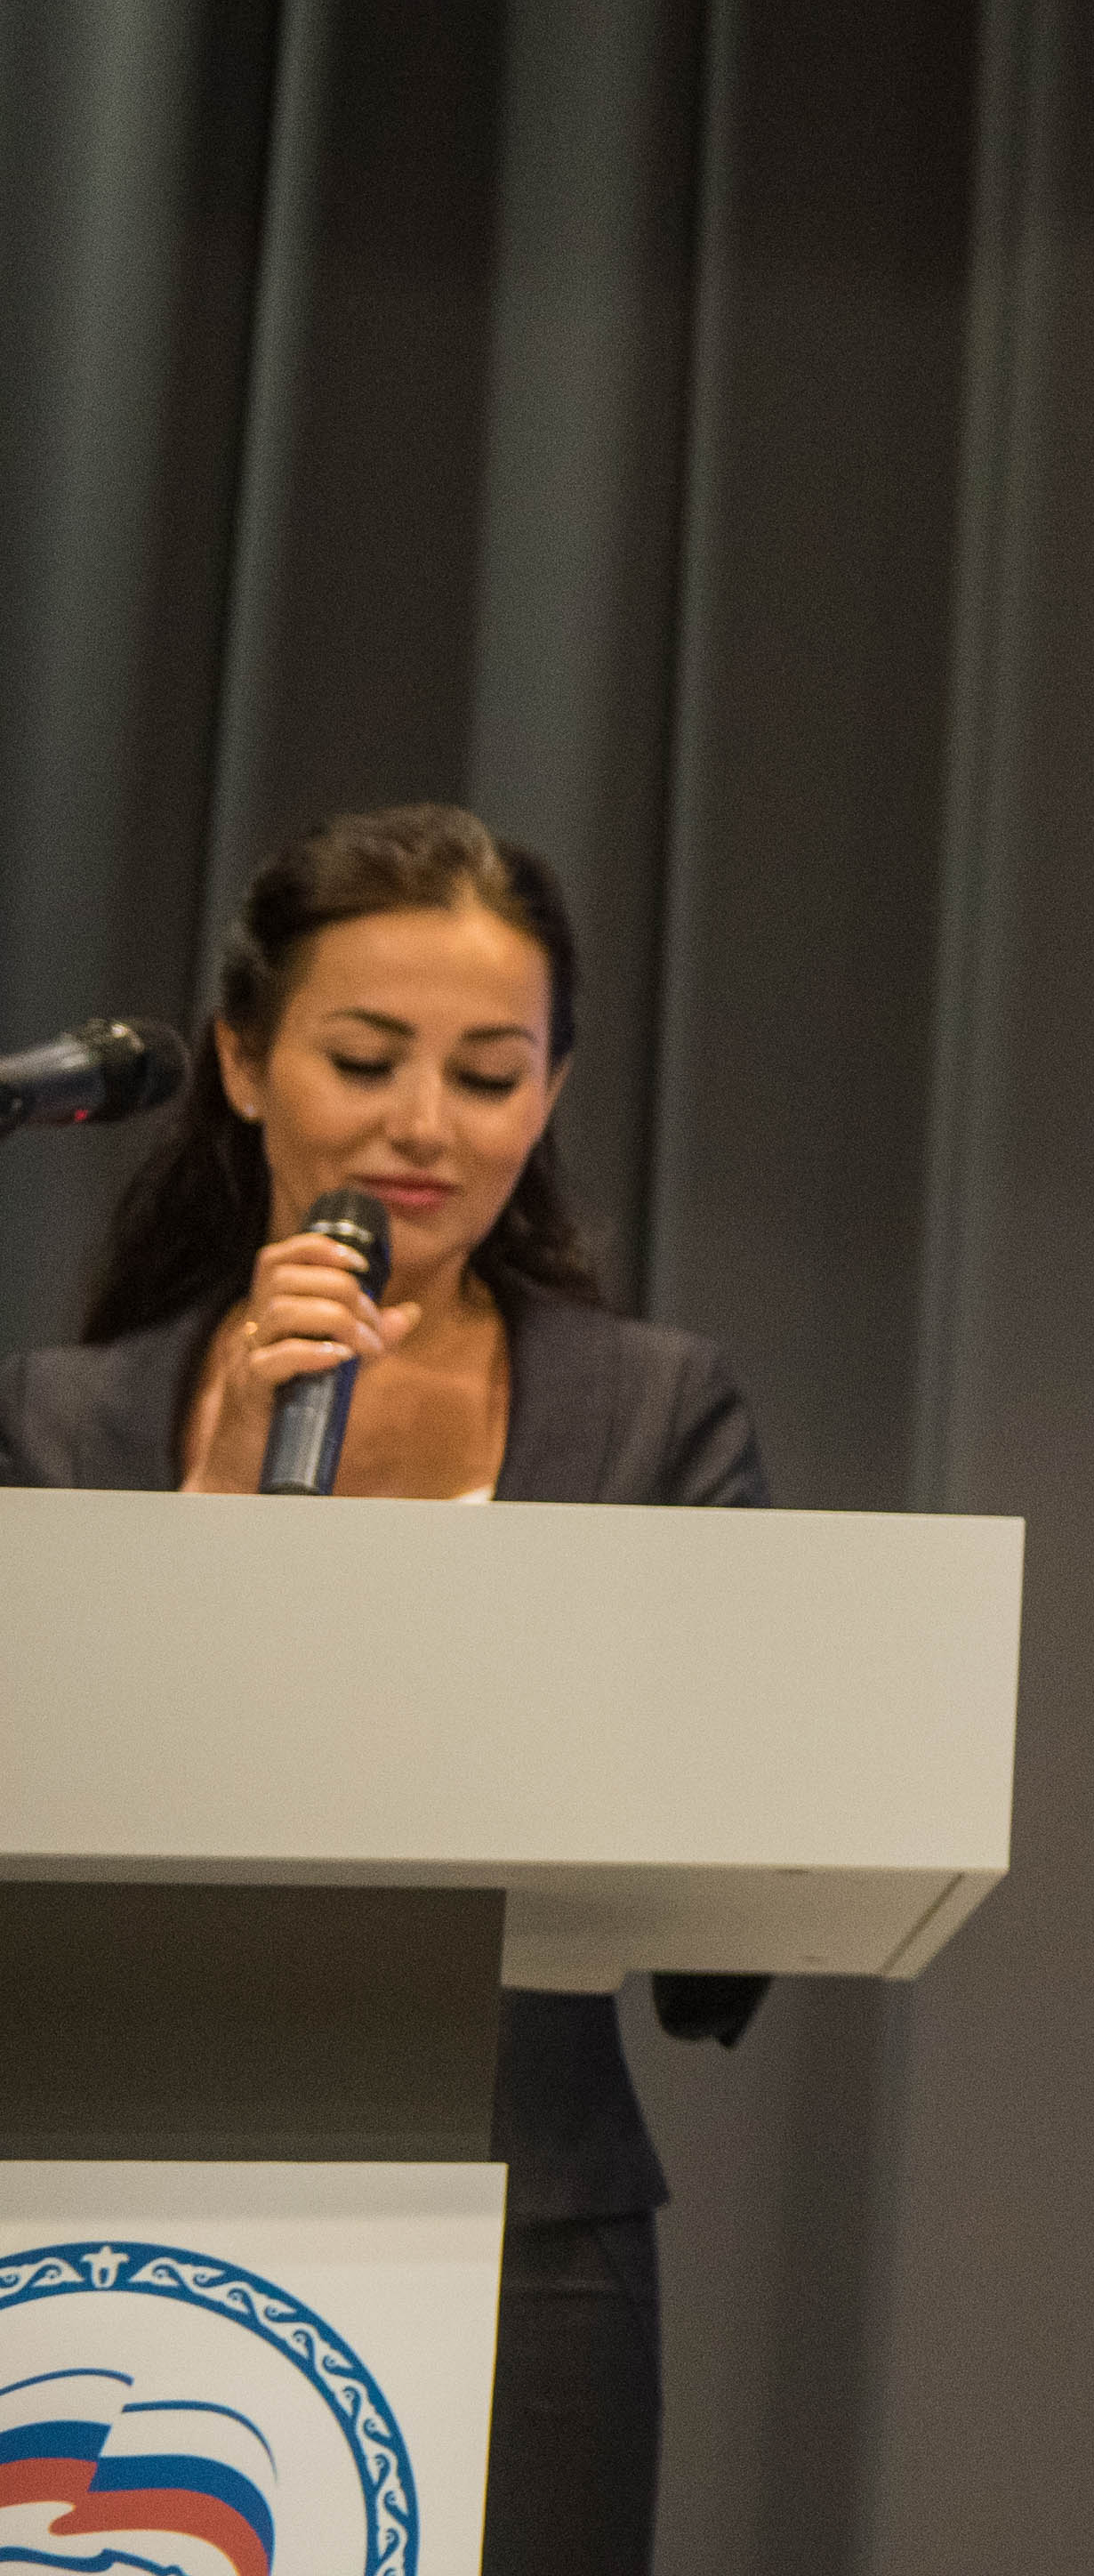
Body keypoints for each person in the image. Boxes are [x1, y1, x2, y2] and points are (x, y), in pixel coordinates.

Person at [1, 801, 768, 2576]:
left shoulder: (656, 1415)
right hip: (95, 2186)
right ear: (242, 1061)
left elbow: (722, 1894)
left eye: (490, 1073)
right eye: (365, 1058)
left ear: (549, 1095)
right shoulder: (62, 1420)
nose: (426, 1122)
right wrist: (211, 1514)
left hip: (530, 2229)